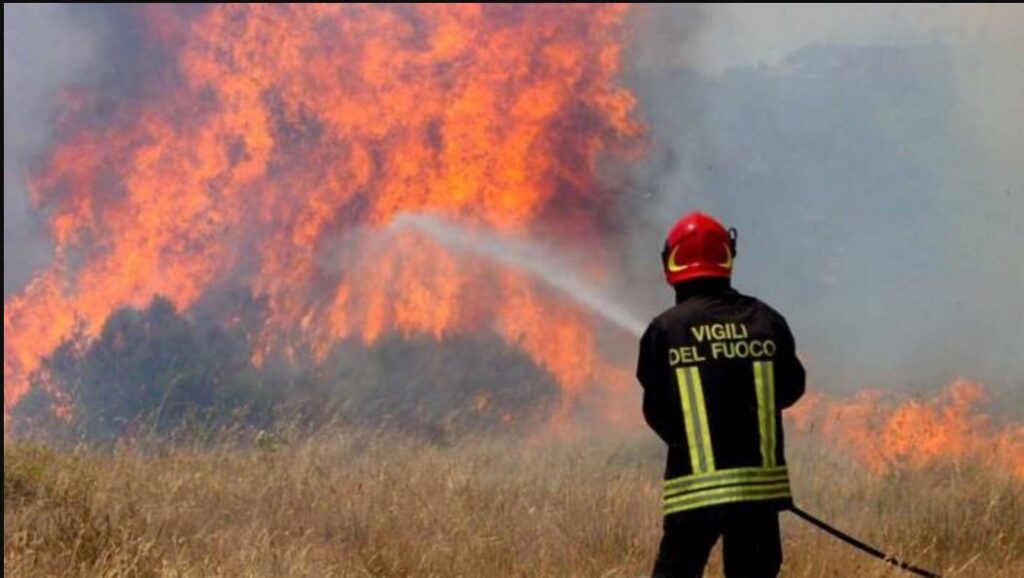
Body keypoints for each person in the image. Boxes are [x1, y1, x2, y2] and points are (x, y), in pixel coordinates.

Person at [637, 211, 806, 578]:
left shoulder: (665, 329)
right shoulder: (767, 320)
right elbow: (791, 388)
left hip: (693, 492)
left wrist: (691, 439)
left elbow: (656, 409)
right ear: (728, 257)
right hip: (759, 494)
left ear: (671, 261)